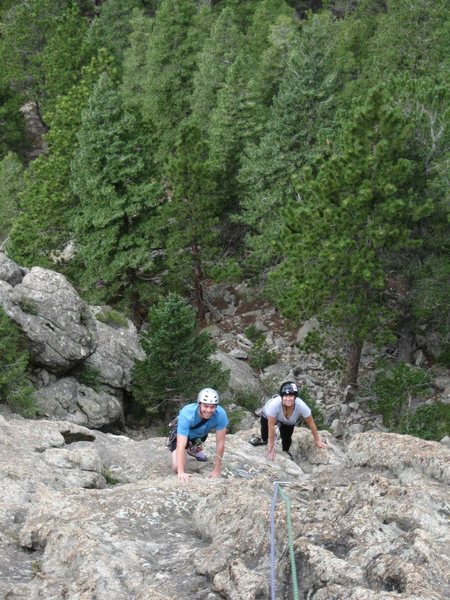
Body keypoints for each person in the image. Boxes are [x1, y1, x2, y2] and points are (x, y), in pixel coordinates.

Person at [249, 381, 326, 460]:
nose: (288, 399)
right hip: (270, 415)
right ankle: (264, 440)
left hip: (289, 421)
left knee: (287, 436)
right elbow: (270, 426)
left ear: (295, 397)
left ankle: (285, 450)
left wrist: (317, 441)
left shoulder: (301, 406)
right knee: (264, 427)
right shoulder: (274, 405)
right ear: (281, 396)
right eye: (285, 396)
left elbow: (311, 423)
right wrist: (271, 446)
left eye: (291, 396)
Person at [169, 387, 228, 483]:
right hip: (184, 436)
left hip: (200, 435)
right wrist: (181, 472)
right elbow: (181, 444)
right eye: (206, 406)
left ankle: (194, 448)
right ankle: (177, 450)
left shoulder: (220, 414)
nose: (209, 410)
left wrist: (217, 470)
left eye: (212, 407)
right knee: (177, 466)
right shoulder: (187, 414)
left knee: (199, 440)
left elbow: (220, 443)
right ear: (199, 404)